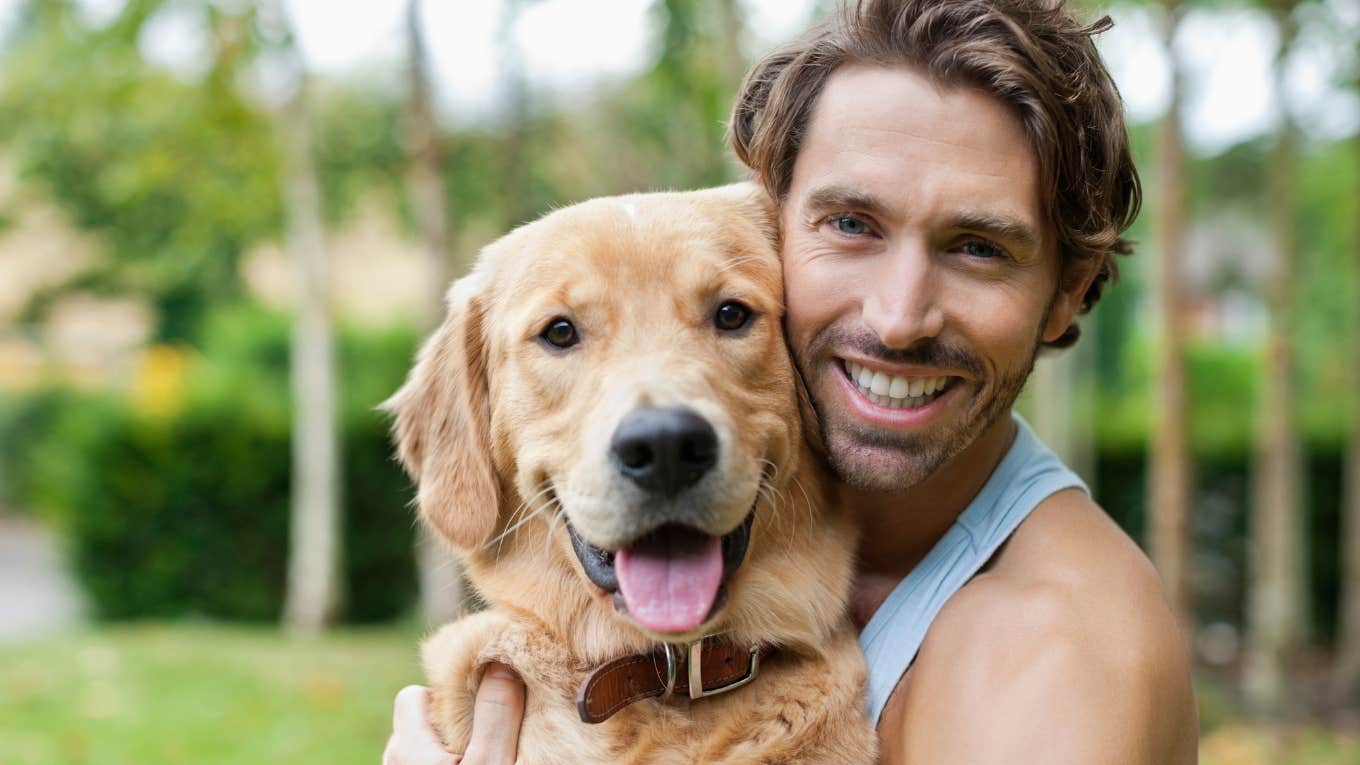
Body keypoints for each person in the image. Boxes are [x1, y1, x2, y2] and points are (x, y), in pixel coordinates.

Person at [383, 1, 1198, 763]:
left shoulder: (1048, 657)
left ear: (1066, 291)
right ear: (784, 228)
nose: (898, 317)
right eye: (852, 225)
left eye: (978, 247)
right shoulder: (818, 565)